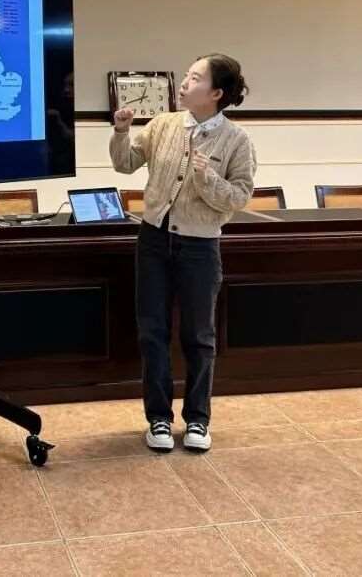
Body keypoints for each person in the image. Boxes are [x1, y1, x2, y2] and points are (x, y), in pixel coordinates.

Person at [110, 54, 256, 452]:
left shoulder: (237, 140)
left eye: (194, 78)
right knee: (152, 331)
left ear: (216, 93)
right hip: (153, 241)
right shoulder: (163, 124)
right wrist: (121, 131)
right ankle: (158, 418)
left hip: (200, 245)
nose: (185, 83)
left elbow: (239, 197)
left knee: (199, 335)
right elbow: (125, 164)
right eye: (187, 76)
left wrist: (207, 178)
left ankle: (197, 420)